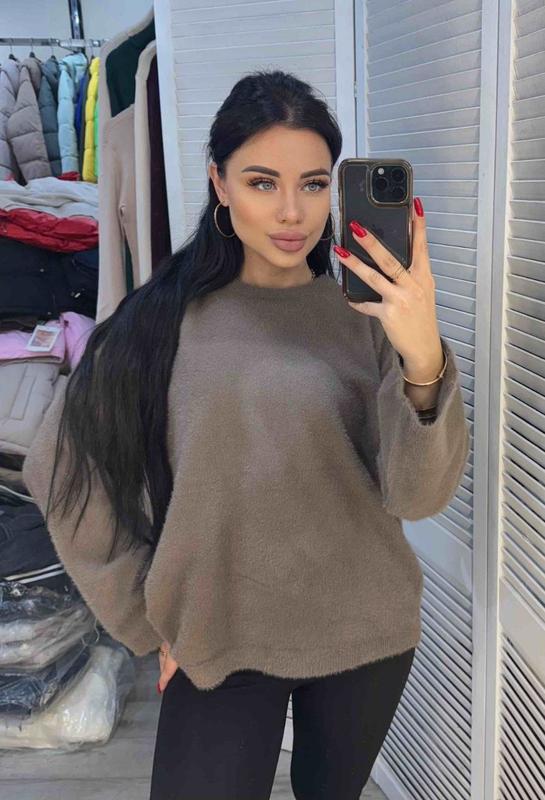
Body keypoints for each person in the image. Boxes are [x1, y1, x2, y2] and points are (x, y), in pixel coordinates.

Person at [22, 69, 470, 800]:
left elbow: (417, 496)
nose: (292, 212)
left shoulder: (369, 320)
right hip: (217, 637)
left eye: (313, 184)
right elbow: (63, 472)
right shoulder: (158, 321)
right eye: (263, 182)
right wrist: (145, 616)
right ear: (219, 183)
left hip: (365, 628)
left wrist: (422, 356)